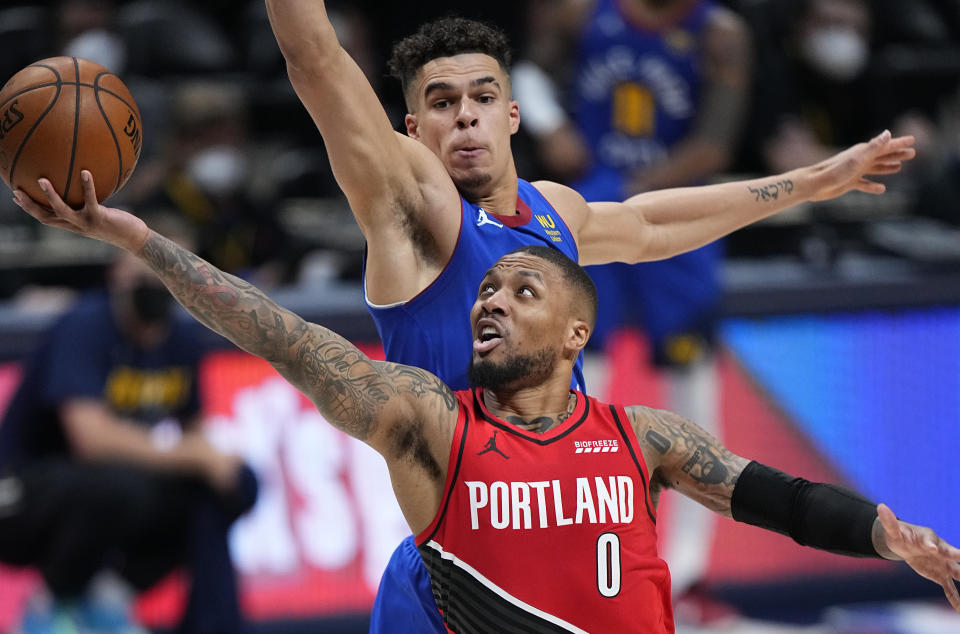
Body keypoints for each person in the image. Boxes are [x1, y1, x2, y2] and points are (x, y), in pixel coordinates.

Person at [12, 179, 960, 631]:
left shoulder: (647, 439)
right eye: (486, 290)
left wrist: (891, 536)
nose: (491, 300)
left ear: (578, 334)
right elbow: (269, 329)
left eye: (521, 290)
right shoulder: (429, 422)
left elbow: (782, 501)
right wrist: (136, 239)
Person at [261, 3, 917, 630]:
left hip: (568, 543)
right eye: (441, 103)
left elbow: (651, 225)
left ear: (513, 114)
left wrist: (809, 182)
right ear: (412, 129)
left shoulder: (553, 212)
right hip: (461, 562)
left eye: (482, 98)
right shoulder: (408, 213)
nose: (465, 118)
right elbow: (314, 56)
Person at [514, 0, 751, 598]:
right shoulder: (579, 15)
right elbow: (527, 73)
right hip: (592, 208)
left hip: (676, 217)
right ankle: (564, 554)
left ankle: (688, 574)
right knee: (572, 374)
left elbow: (714, 149)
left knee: (690, 388)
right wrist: (550, 126)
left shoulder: (719, 33)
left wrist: (636, 199)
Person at [0, 218, 257, 634]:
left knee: (231, 486)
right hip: (18, 494)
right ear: (117, 271)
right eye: (147, 269)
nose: (158, 282)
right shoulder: (86, 324)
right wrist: (193, 455)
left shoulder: (182, 340)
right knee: (119, 486)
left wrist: (211, 461)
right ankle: (52, 609)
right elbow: (92, 441)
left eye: (172, 270)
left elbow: (196, 433)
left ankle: (132, 602)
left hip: (102, 494)